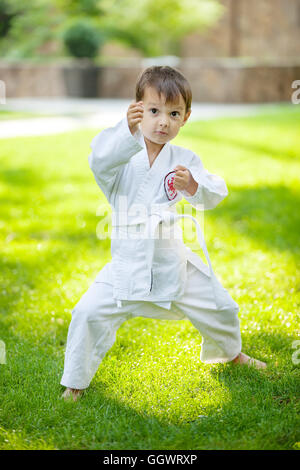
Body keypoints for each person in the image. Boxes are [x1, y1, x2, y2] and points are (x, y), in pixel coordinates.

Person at [60, 66, 266, 402]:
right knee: (88, 312)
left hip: (171, 258)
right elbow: (99, 161)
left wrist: (193, 185)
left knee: (220, 305)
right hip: (127, 262)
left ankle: (232, 354)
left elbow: (215, 192)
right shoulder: (122, 154)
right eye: (154, 111)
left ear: (185, 118)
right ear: (138, 109)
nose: (163, 122)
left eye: (173, 114)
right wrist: (125, 132)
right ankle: (75, 381)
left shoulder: (183, 159)